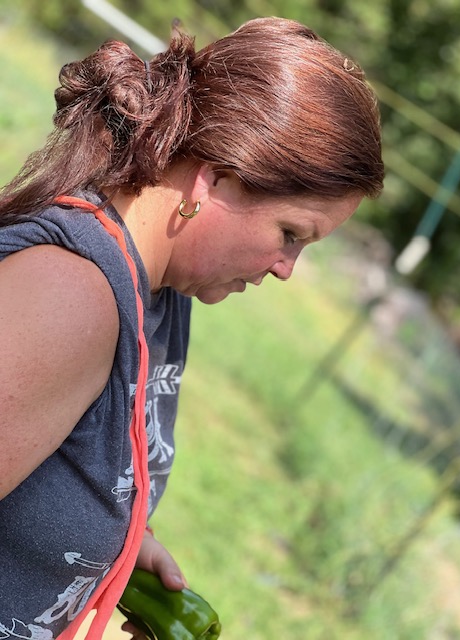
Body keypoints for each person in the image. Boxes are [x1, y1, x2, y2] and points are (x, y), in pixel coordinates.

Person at [0, 15, 384, 640]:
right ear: (214, 180)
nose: (286, 269)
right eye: (291, 233)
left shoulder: (160, 291)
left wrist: (118, 541)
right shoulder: (70, 296)